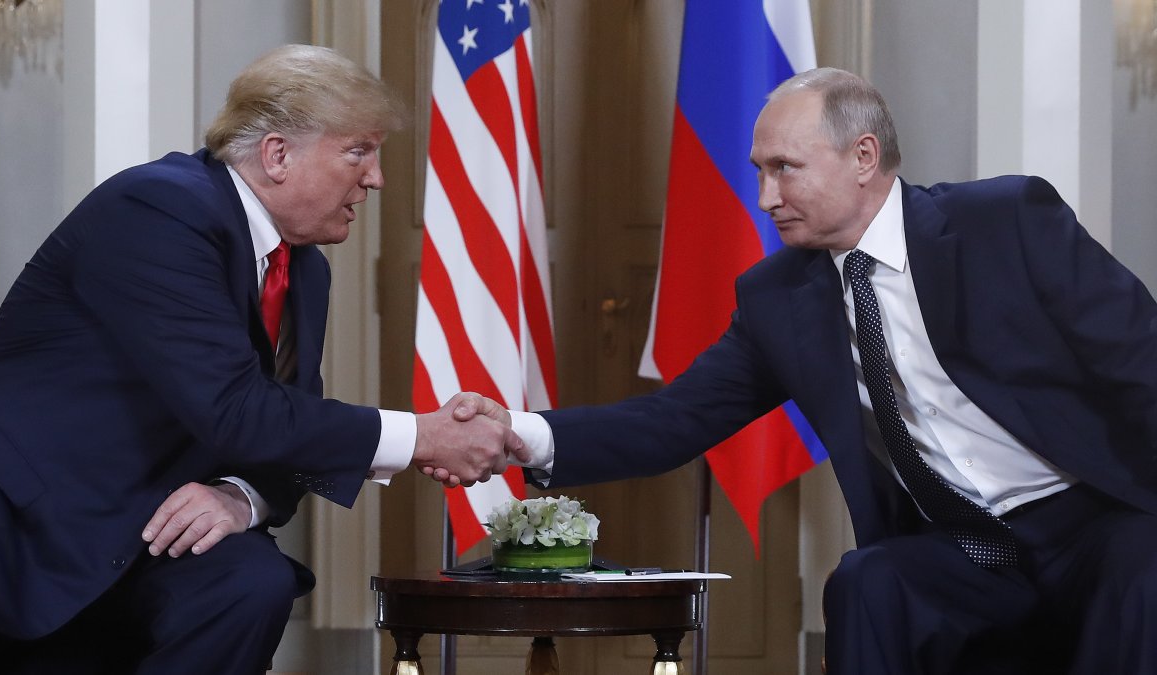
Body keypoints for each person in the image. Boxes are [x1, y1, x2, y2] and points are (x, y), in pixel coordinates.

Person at [441, 67, 1157, 674]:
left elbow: (1140, 360)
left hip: (1091, 525)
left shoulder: (1005, 221)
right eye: (758, 171)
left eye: (784, 168)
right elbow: (675, 420)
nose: (765, 198)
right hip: (964, 551)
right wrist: (521, 436)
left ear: (864, 156)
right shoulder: (778, 298)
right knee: (868, 580)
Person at [0, 44, 524, 674]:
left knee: (249, 580)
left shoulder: (302, 267)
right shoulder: (159, 209)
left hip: (141, 525)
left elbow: (289, 422)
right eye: (358, 151)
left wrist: (240, 497)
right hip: (8, 525)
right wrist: (421, 436)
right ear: (278, 155)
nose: (376, 178)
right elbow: (235, 409)